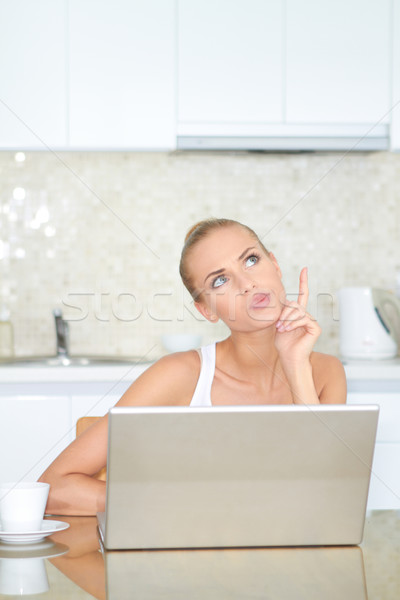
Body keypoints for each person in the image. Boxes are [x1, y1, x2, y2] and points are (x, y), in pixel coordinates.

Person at [39, 218, 346, 515]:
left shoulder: (324, 373)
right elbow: (53, 488)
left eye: (251, 260)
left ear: (275, 265)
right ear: (206, 310)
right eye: (220, 280)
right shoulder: (180, 375)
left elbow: (325, 497)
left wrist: (295, 365)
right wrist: (179, 503)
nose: (247, 283)